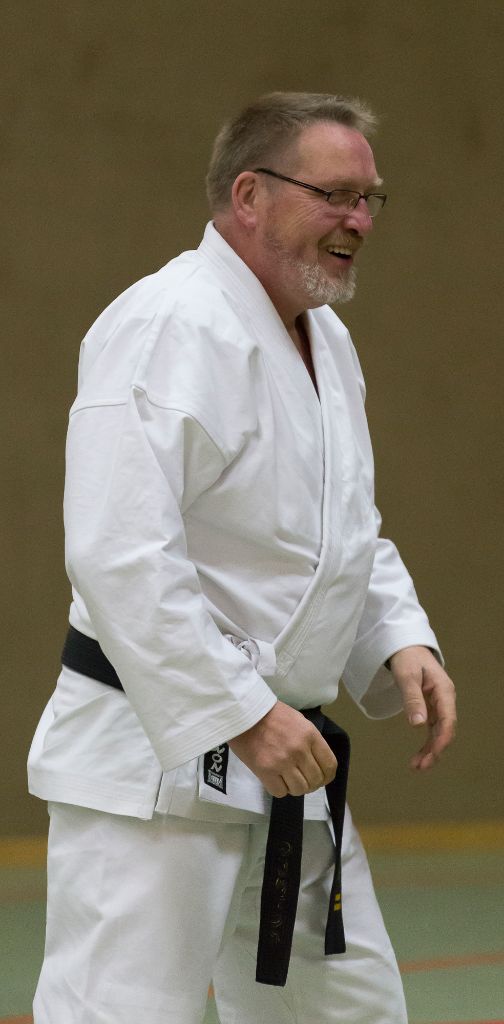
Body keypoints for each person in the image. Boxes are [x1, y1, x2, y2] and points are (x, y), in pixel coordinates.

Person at [28, 92, 456, 1024]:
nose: (359, 220)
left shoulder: (325, 339)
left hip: (286, 757)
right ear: (250, 195)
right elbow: (118, 551)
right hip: (157, 761)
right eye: (334, 195)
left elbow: (340, 527)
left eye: (370, 199)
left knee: (352, 1013)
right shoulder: (169, 323)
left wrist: (396, 635)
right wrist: (240, 712)